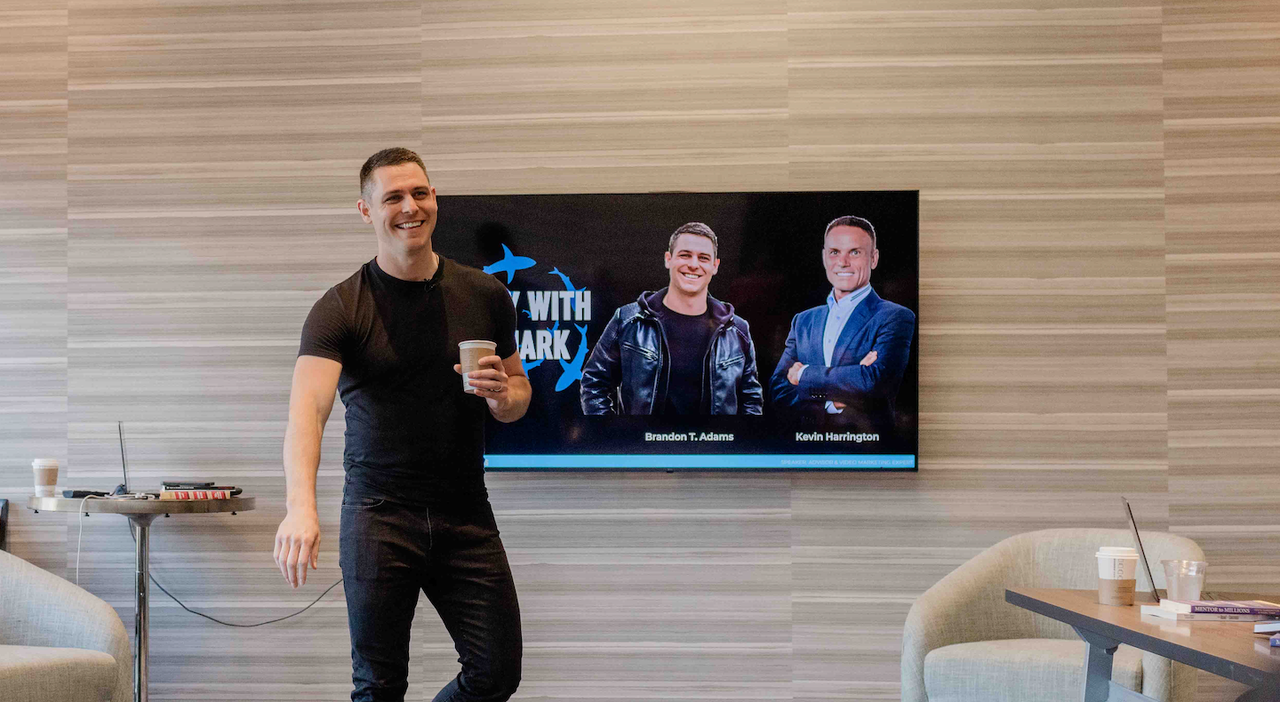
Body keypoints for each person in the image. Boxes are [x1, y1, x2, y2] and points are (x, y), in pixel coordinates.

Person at [273, 147, 531, 702]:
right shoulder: (340, 308)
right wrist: (301, 507)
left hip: (466, 511)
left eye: (419, 193)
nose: (410, 207)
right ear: (366, 210)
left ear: (434, 198)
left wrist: (502, 396)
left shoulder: (486, 294)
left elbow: (518, 394)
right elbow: (306, 414)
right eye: (393, 197)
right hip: (378, 517)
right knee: (379, 685)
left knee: (496, 672)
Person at [580, 222, 763, 415]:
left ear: (715, 266)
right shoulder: (628, 320)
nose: (693, 265)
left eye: (703, 258)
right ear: (668, 259)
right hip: (645, 436)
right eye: (685, 255)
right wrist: (615, 431)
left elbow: (751, 400)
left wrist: (736, 434)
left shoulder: (737, 330)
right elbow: (594, 383)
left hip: (714, 436)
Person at [770, 215, 915, 434]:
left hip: (865, 448)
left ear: (873, 258)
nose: (843, 262)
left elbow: (872, 383)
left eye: (854, 252)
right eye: (835, 252)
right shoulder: (804, 321)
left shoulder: (895, 317)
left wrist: (803, 375)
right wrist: (833, 402)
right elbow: (778, 391)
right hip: (802, 446)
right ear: (824, 258)